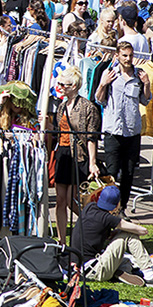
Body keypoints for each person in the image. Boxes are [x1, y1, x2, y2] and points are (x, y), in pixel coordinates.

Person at [96, 41, 151, 209]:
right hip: (113, 130)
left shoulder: (138, 76)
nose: (128, 59)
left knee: (128, 173)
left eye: (130, 56)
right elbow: (99, 99)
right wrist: (103, 83)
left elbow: (145, 100)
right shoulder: (110, 73)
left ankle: (123, 207)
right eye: (124, 55)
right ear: (117, 56)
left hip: (132, 131)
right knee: (112, 172)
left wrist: (147, 84)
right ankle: (107, 207)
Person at [52, 66, 102, 245]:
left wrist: (93, 162)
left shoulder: (88, 107)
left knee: (74, 200)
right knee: (60, 200)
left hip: (79, 156)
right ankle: (61, 240)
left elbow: (91, 137)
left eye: (63, 85)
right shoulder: (61, 106)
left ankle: (92, 228)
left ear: (74, 86)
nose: (60, 88)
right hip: (63, 154)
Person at [71, 185, 153, 286]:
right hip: (94, 270)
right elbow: (142, 231)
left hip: (81, 266)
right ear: (116, 204)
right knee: (128, 234)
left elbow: (102, 233)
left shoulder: (89, 208)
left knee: (125, 260)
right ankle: (148, 273)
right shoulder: (107, 218)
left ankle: (120, 271)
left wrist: (117, 232)